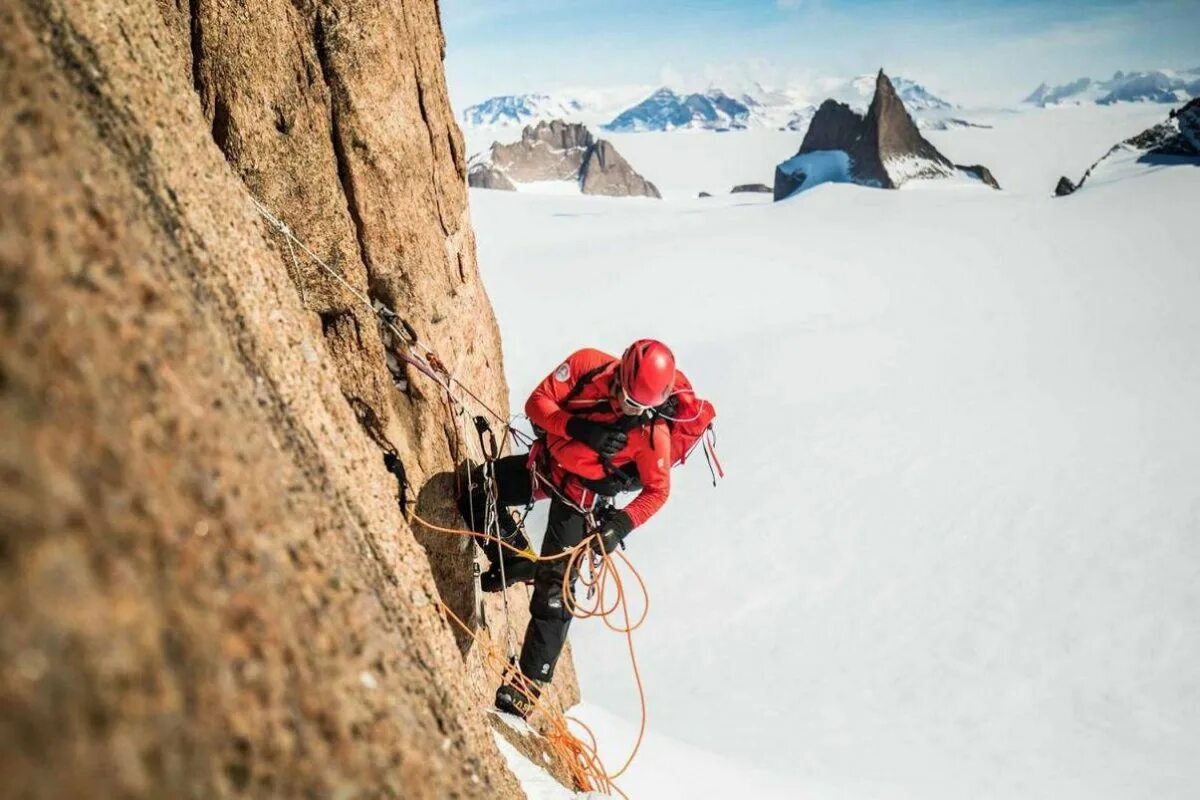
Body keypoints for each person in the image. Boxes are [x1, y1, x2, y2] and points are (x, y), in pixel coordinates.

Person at [458, 339, 716, 718]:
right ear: (621, 373)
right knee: (476, 489)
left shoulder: (652, 434)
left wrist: (619, 527)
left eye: (641, 406)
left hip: (581, 500)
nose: (631, 410)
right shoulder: (587, 365)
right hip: (547, 468)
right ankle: (513, 557)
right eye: (629, 399)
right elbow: (537, 404)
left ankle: (524, 692)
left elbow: (658, 491)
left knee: (554, 593)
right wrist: (578, 428)